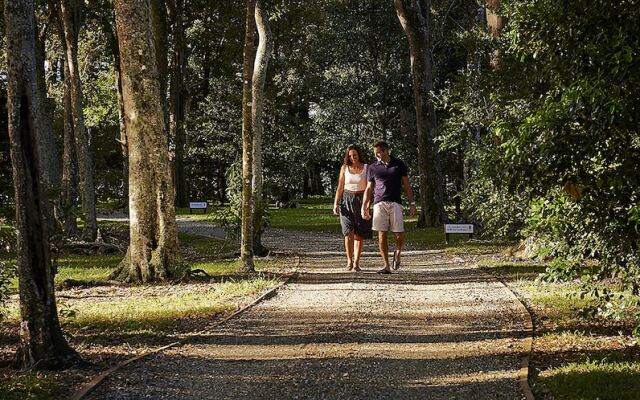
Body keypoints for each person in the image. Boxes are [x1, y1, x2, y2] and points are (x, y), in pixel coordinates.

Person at [361, 140, 416, 274]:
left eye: (379, 152)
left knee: (399, 234)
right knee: (381, 235)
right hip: (379, 202)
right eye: (375, 153)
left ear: (386, 151)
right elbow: (369, 188)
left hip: (396, 202)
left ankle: (397, 252)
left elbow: (406, 185)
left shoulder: (399, 164)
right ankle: (386, 265)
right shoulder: (373, 167)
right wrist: (365, 205)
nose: (377, 155)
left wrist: (412, 203)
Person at [333, 144, 372, 271]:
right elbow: (340, 186)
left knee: (359, 233)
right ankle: (349, 261)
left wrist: (366, 205)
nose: (352, 157)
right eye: (350, 156)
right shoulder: (344, 168)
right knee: (348, 232)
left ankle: (356, 262)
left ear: (359, 154)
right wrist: (336, 203)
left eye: (354, 155)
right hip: (347, 200)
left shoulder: (367, 168)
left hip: (362, 199)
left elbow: (369, 188)